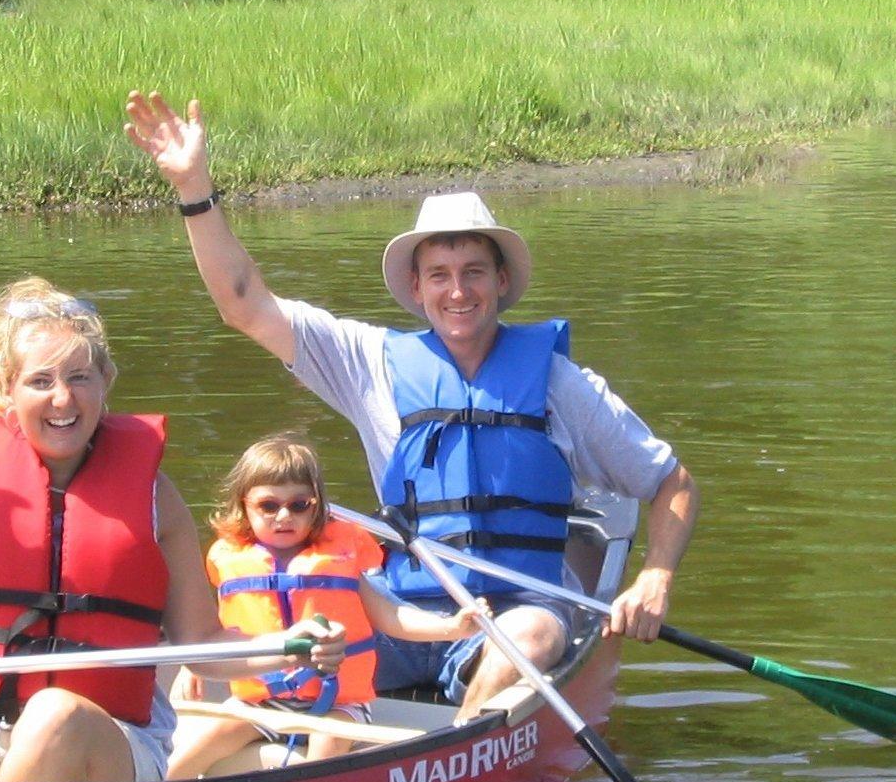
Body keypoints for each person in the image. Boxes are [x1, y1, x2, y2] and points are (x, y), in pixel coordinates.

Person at [123, 92, 699, 721]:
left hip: (514, 611)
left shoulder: (562, 385)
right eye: (440, 274)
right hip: (402, 610)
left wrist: (656, 577)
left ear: (501, 282)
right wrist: (194, 187)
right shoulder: (370, 362)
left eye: (475, 271)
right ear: (417, 288)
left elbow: (671, 481)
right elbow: (244, 304)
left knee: (528, 639)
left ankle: (453, 752)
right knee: (299, 624)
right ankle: (249, 736)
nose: (458, 291)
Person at [0, 188, 344, 782]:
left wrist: (290, 644)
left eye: (80, 377)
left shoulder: (155, 495)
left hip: (102, 739)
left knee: (53, 717)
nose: (62, 398)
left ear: (105, 382)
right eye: (41, 381)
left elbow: (200, 640)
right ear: (6, 391)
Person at [168, 435, 490, 778]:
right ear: (244, 505)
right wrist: (192, 667)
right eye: (268, 506)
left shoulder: (339, 560)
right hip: (262, 701)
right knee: (193, 752)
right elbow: (214, 629)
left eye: (299, 505)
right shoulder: (232, 561)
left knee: (324, 751)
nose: (283, 516)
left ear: (317, 506)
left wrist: (453, 627)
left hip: (337, 703)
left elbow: (392, 616)